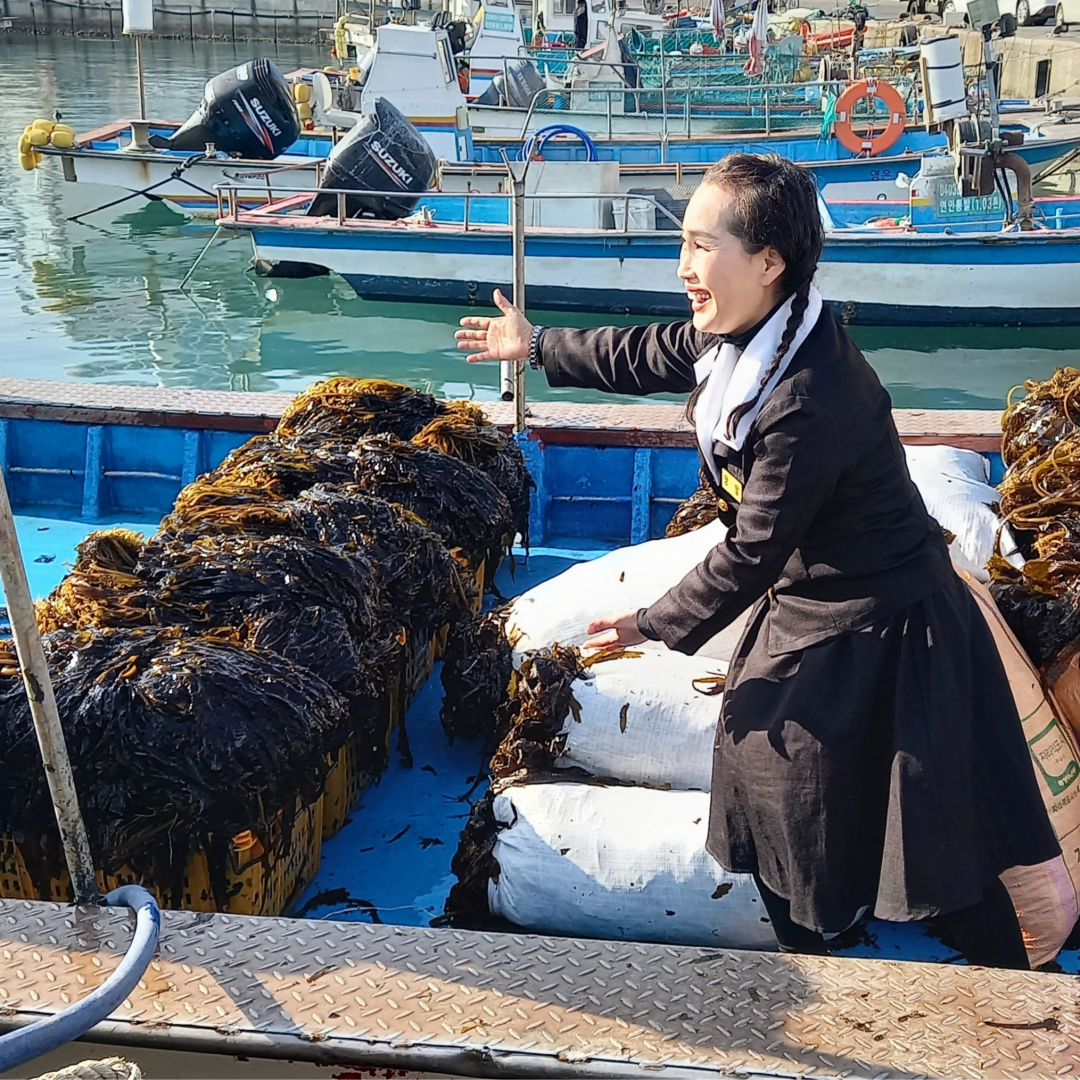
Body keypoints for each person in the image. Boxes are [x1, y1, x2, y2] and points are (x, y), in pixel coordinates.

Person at [455, 152, 1060, 969]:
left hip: (883, 622)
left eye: (704, 246)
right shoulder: (753, 337)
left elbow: (749, 553)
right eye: (685, 243)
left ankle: (980, 976)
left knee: (874, 801)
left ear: (769, 261)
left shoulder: (808, 395)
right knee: (799, 784)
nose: (684, 266)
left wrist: (646, 624)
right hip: (820, 607)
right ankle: (824, 934)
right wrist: (536, 348)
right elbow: (644, 352)